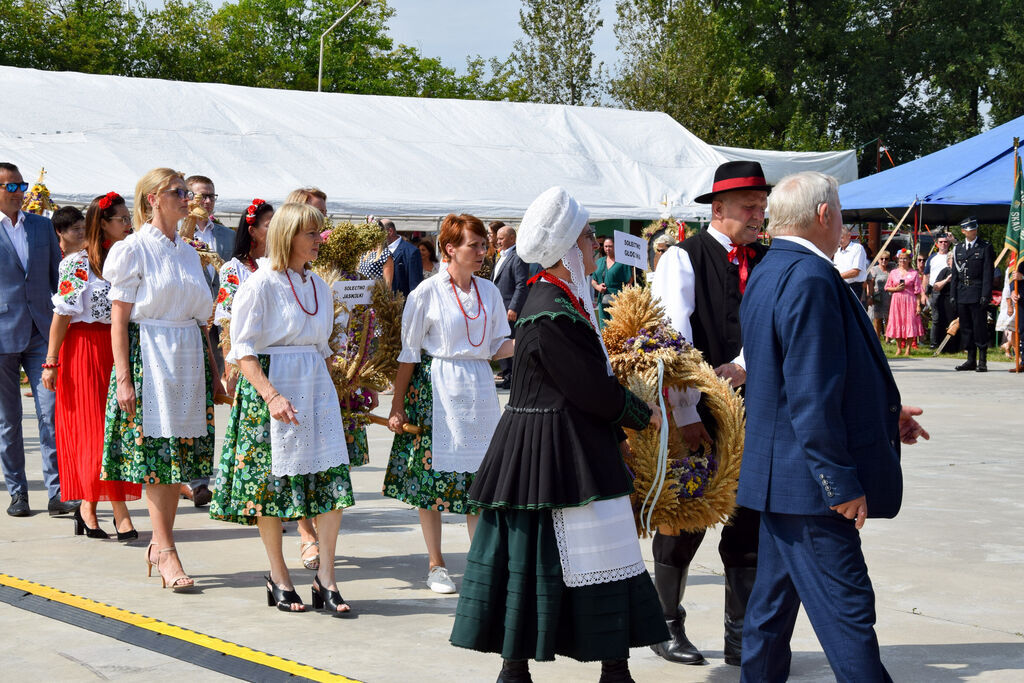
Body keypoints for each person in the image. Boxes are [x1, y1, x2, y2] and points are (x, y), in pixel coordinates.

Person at [449, 186, 667, 683]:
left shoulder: (563, 299)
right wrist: (640, 412)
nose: (595, 244)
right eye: (589, 236)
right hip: (552, 446)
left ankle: (606, 666)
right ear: (570, 249)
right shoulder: (552, 309)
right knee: (542, 552)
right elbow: (590, 387)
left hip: (561, 442)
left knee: (591, 550)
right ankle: (522, 668)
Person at [737, 171, 929, 681]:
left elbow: (799, 378)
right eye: (840, 211)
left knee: (768, 621)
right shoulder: (810, 277)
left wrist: (888, 418)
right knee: (849, 621)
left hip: (783, 481)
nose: (842, 221)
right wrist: (838, 483)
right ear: (824, 215)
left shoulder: (772, 267)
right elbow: (809, 394)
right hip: (810, 489)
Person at [649, 160, 771, 666]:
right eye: (750, 208)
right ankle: (663, 623)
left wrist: (744, 365)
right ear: (718, 210)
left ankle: (740, 636)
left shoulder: (767, 258)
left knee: (748, 525)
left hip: (756, 410)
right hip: (697, 413)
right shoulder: (683, 257)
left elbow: (772, 327)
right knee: (687, 518)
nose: (758, 216)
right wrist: (683, 411)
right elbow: (669, 340)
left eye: (762, 208)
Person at [210, 202, 355, 615]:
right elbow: (243, 350)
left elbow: (323, 347)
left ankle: (326, 577)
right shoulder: (260, 284)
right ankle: (279, 575)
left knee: (330, 484)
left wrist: (339, 388)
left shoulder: (319, 287)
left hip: (314, 389)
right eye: (312, 233)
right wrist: (271, 395)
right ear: (289, 236)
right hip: (274, 391)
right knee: (271, 491)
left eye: (319, 232)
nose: (319, 240)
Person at [101, 168, 222, 592]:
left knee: (179, 459)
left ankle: (160, 543)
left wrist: (215, 372)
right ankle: (167, 548)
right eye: (177, 192)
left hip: (187, 353)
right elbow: (119, 319)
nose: (186, 197)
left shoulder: (188, 251)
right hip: (149, 353)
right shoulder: (133, 249)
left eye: (188, 191)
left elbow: (200, 319)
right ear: (153, 198)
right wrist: (122, 377)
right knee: (157, 458)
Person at [384, 213, 513, 594]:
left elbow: (495, 346)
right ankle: (436, 563)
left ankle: (482, 563)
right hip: (438, 386)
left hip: (479, 388)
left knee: (481, 479)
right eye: (473, 245)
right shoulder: (427, 292)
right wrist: (398, 404)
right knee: (432, 480)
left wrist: (534, 339)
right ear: (449, 249)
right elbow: (408, 353)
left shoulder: (488, 291)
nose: (482, 252)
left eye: (483, 245)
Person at [42, 192, 142, 539]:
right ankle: (104, 508)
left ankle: (104, 507)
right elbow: (61, 315)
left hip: (119, 348)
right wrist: (51, 361)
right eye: (123, 219)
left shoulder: (128, 259)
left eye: (130, 219)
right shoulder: (77, 263)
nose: (129, 225)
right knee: (93, 433)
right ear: (104, 223)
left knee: (117, 432)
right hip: (85, 349)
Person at [0, 162, 78, 518]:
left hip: (40, 334)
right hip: (1, 335)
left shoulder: (42, 227)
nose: (19, 194)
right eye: (10, 188)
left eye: (21, 186)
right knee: (8, 420)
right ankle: (17, 492)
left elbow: (56, 283)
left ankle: (58, 491)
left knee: (50, 413)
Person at [183, 174, 235, 506]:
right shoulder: (177, 235)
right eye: (201, 196)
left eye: (212, 197)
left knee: (221, 394)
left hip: (224, 321)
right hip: (192, 323)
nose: (207, 202)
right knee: (192, 395)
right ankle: (192, 479)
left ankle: (214, 473)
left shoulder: (228, 236)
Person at [951, 216, 995, 371]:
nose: (973, 231)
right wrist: (953, 295)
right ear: (963, 231)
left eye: (975, 229)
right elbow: (955, 274)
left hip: (977, 293)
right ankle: (970, 360)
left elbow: (988, 274)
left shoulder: (985, 247)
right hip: (962, 293)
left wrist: (985, 295)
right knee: (966, 328)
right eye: (970, 229)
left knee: (979, 327)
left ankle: (982, 361)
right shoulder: (959, 248)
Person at [491, 225, 530, 390]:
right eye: (497, 238)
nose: (498, 241)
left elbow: (521, 284)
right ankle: (507, 375)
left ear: (512, 238)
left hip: (509, 308)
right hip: (498, 307)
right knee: (499, 340)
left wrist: (513, 307)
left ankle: (514, 377)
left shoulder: (517, 256)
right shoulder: (501, 256)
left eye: (501, 238)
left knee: (510, 342)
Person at [885, 248, 926, 355]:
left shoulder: (914, 273)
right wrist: (896, 289)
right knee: (897, 322)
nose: (902, 261)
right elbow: (887, 287)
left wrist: (918, 305)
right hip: (897, 301)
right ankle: (898, 348)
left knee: (910, 323)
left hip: (910, 300)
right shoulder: (893, 272)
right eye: (901, 259)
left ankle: (908, 349)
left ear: (909, 260)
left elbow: (917, 291)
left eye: (905, 259)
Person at [590, 237, 634, 327]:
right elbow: (593, 280)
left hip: (618, 299)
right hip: (602, 299)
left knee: (616, 325)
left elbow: (630, 279)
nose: (607, 249)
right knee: (604, 326)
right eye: (606, 246)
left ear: (615, 247)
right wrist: (598, 287)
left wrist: (627, 290)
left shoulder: (622, 262)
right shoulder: (599, 262)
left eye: (610, 246)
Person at [381, 218, 423, 297]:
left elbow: (415, 284)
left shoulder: (411, 251)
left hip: (402, 304)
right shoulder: (379, 251)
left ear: (390, 231)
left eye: (380, 231)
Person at [832, 225, 869, 303]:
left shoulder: (857, 248)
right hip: (840, 285)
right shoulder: (837, 251)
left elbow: (855, 272)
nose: (839, 240)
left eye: (841, 237)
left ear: (849, 235)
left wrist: (836, 276)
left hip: (853, 287)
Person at [931, 252, 957, 352]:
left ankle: (956, 346)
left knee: (957, 323)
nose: (954, 261)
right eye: (952, 259)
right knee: (945, 323)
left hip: (958, 300)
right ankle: (944, 347)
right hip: (945, 300)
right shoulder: (945, 271)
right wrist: (946, 280)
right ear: (948, 261)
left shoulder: (960, 272)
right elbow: (936, 286)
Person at [865, 250, 892, 341]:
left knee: (888, 317)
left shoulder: (891, 269)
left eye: (886, 259)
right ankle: (877, 338)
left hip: (888, 295)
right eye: (882, 258)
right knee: (877, 318)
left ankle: (887, 338)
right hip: (877, 294)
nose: (884, 260)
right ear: (878, 259)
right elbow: (870, 283)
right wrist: (869, 296)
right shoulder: (874, 269)